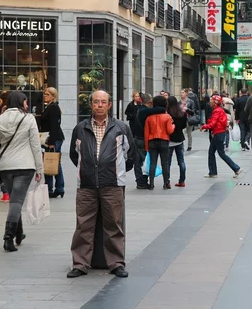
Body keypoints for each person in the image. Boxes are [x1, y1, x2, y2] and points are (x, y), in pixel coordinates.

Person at [68, 91, 136, 278]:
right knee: (83, 225)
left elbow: (130, 156)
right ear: (90, 105)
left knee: (114, 224)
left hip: (112, 184)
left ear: (109, 105)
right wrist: (88, 170)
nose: (99, 105)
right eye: (96, 102)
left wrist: (116, 171)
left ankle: (116, 263)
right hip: (86, 185)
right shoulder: (80, 128)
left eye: (103, 102)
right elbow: (75, 155)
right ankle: (80, 264)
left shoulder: (121, 128)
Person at [0, 91, 43, 252]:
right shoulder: (29, 118)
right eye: (26, 102)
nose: (27, 105)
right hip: (25, 165)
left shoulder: (0, 119)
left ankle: (19, 233)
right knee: (16, 201)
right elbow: (35, 145)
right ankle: (8, 238)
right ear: (21, 102)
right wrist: (40, 168)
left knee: (15, 199)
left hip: (6, 165)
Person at [201, 95, 243, 178]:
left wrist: (204, 126)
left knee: (221, 154)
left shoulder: (217, 111)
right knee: (211, 152)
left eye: (212, 100)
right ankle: (213, 172)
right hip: (219, 133)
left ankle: (236, 168)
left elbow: (213, 123)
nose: (210, 102)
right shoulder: (220, 110)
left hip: (218, 134)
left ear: (215, 102)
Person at [130, 94, 166, 189]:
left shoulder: (139, 109)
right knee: (141, 162)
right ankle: (141, 182)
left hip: (137, 138)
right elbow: (161, 109)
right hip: (141, 139)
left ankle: (141, 181)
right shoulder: (143, 110)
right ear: (149, 102)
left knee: (140, 161)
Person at [40, 87, 66, 198]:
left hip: (53, 139)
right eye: (45, 94)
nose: (45, 96)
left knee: (52, 163)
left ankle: (55, 188)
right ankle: (54, 188)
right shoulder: (50, 107)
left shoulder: (53, 107)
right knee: (52, 163)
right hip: (52, 139)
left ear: (53, 96)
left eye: (47, 94)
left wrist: (51, 141)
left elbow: (54, 125)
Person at [144, 95, 174, 190]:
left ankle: (151, 183)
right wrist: (173, 126)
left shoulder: (149, 118)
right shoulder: (167, 117)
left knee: (153, 162)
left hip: (152, 141)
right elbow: (169, 131)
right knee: (164, 163)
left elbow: (146, 133)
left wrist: (146, 146)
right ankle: (166, 183)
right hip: (164, 141)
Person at [167, 96, 187, 187]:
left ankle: (167, 181)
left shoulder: (167, 113)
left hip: (169, 139)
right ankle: (182, 180)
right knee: (181, 161)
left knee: (167, 162)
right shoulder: (181, 113)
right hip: (179, 139)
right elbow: (184, 126)